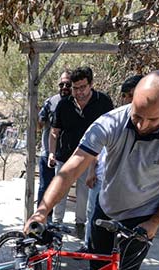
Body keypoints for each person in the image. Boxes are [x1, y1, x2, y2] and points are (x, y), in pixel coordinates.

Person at [27, 69, 159, 270]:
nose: (142, 125)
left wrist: (155, 221)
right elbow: (71, 168)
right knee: (97, 268)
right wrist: (42, 212)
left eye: (152, 119)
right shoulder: (111, 122)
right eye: (137, 115)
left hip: (143, 216)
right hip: (106, 206)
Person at [48, 66, 114, 227]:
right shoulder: (64, 104)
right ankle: (57, 223)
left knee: (84, 193)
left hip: (91, 158)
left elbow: (112, 133)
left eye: (82, 87)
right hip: (65, 157)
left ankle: (80, 224)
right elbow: (54, 131)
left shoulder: (104, 102)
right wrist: (51, 153)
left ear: (91, 84)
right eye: (75, 88)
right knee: (60, 191)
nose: (78, 92)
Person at [83, 75, 143, 249]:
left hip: (125, 187)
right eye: (126, 95)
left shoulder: (149, 124)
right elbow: (95, 150)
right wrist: (91, 171)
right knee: (93, 216)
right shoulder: (112, 120)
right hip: (101, 178)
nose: (129, 99)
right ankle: (89, 245)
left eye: (133, 95)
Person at [37, 70, 72, 214]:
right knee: (45, 186)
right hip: (48, 153)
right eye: (61, 84)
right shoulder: (51, 102)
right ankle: (41, 218)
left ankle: (58, 220)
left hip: (67, 156)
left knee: (61, 188)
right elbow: (39, 125)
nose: (64, 87)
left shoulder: (77, 104)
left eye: (68, 84)